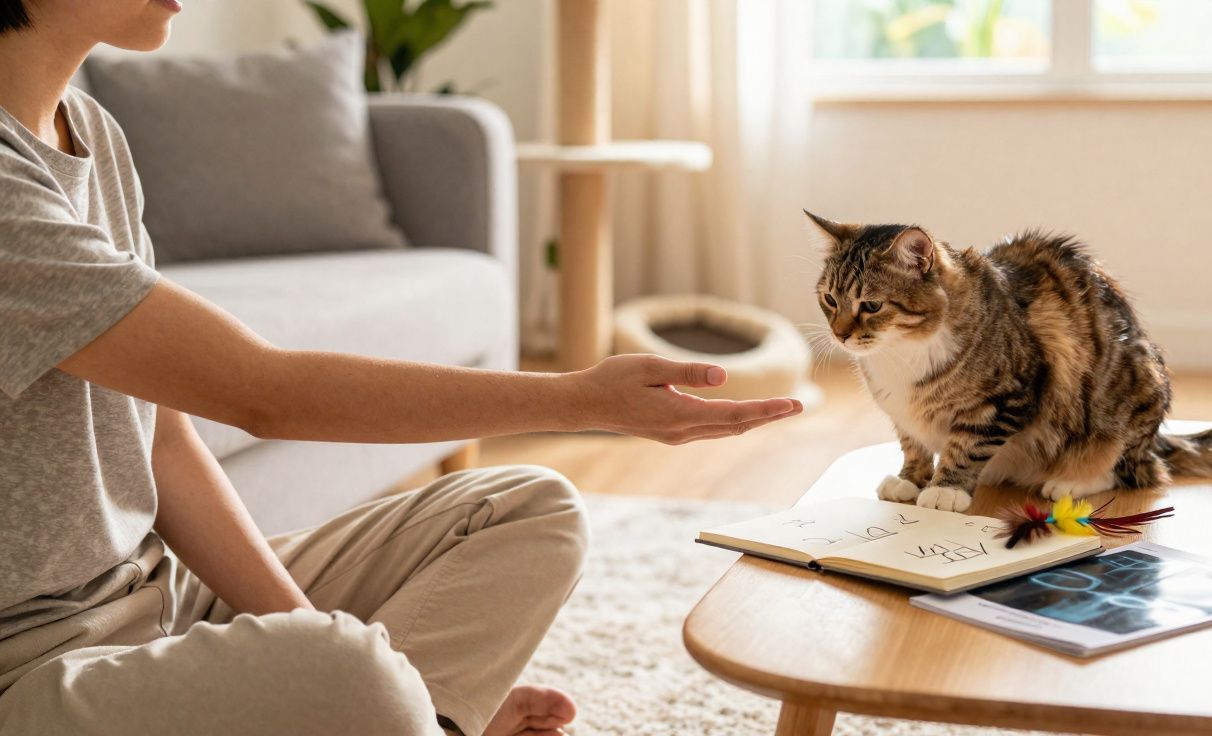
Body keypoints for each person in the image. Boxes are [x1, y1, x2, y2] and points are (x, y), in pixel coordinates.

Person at [0, 2, 803, 734]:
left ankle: (413, 719)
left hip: (157, 594)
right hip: (35, 669)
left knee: (529, 507)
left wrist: (305, 636)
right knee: (354, 680)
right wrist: (580, 398)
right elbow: (263, 393)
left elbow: (163, 438)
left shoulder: (92, 131)